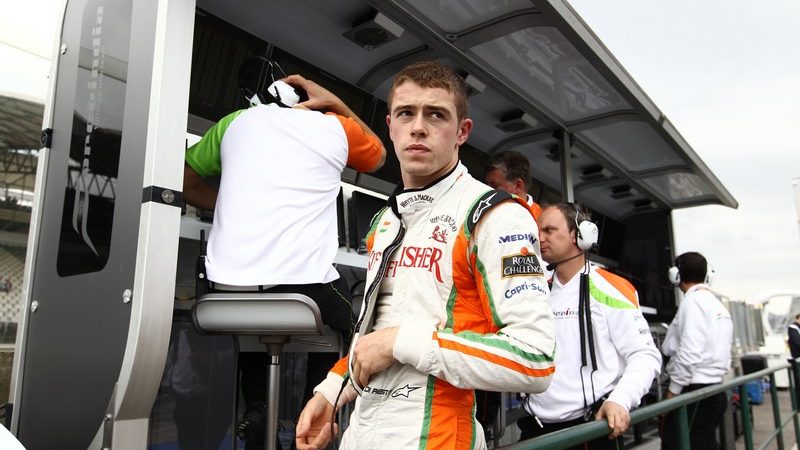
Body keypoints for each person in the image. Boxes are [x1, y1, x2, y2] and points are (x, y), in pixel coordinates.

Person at [295, 61, 556, 450]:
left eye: (436, 114)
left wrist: (402, 342)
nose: (418, 126)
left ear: (461, 132)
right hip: (361, 434)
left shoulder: (495, 215)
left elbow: (535, 360)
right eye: (406, 113)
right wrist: (331, 392)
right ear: (390, 126)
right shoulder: (386, 220)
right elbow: (376, 332)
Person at [183, 65, 386, 449]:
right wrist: (337, 103)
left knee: (257, 311)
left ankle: (258, 405)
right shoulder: (334, 127)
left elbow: (184, 183)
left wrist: (228, 203)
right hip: (301, 290)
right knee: (355, 323)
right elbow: (378, 154)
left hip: (222, 293)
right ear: (313, 105)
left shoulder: (233, 123)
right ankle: (316, 411)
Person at [519, 203, 661, 450]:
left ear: (581, 235)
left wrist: (620, 400)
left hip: (589, 431)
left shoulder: (612, 288)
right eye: (538, 231)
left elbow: (645, 355)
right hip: (535, 431)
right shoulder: (536, 291)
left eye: (549, 230)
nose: (540, 238)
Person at [660, 252, 733, 450]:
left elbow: (689, 353)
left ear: (676, 275)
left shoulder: (693, 303)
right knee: (706, 444)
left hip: (694, 392)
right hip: (714, 390)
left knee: (675, 444)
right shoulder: (717, 305)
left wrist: (672, 393)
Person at [485, 150, 543, 219]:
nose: (487, 190)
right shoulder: (484, 207)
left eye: (494, 185)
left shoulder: (541, 220)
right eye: (487, 185)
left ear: (518, 185)